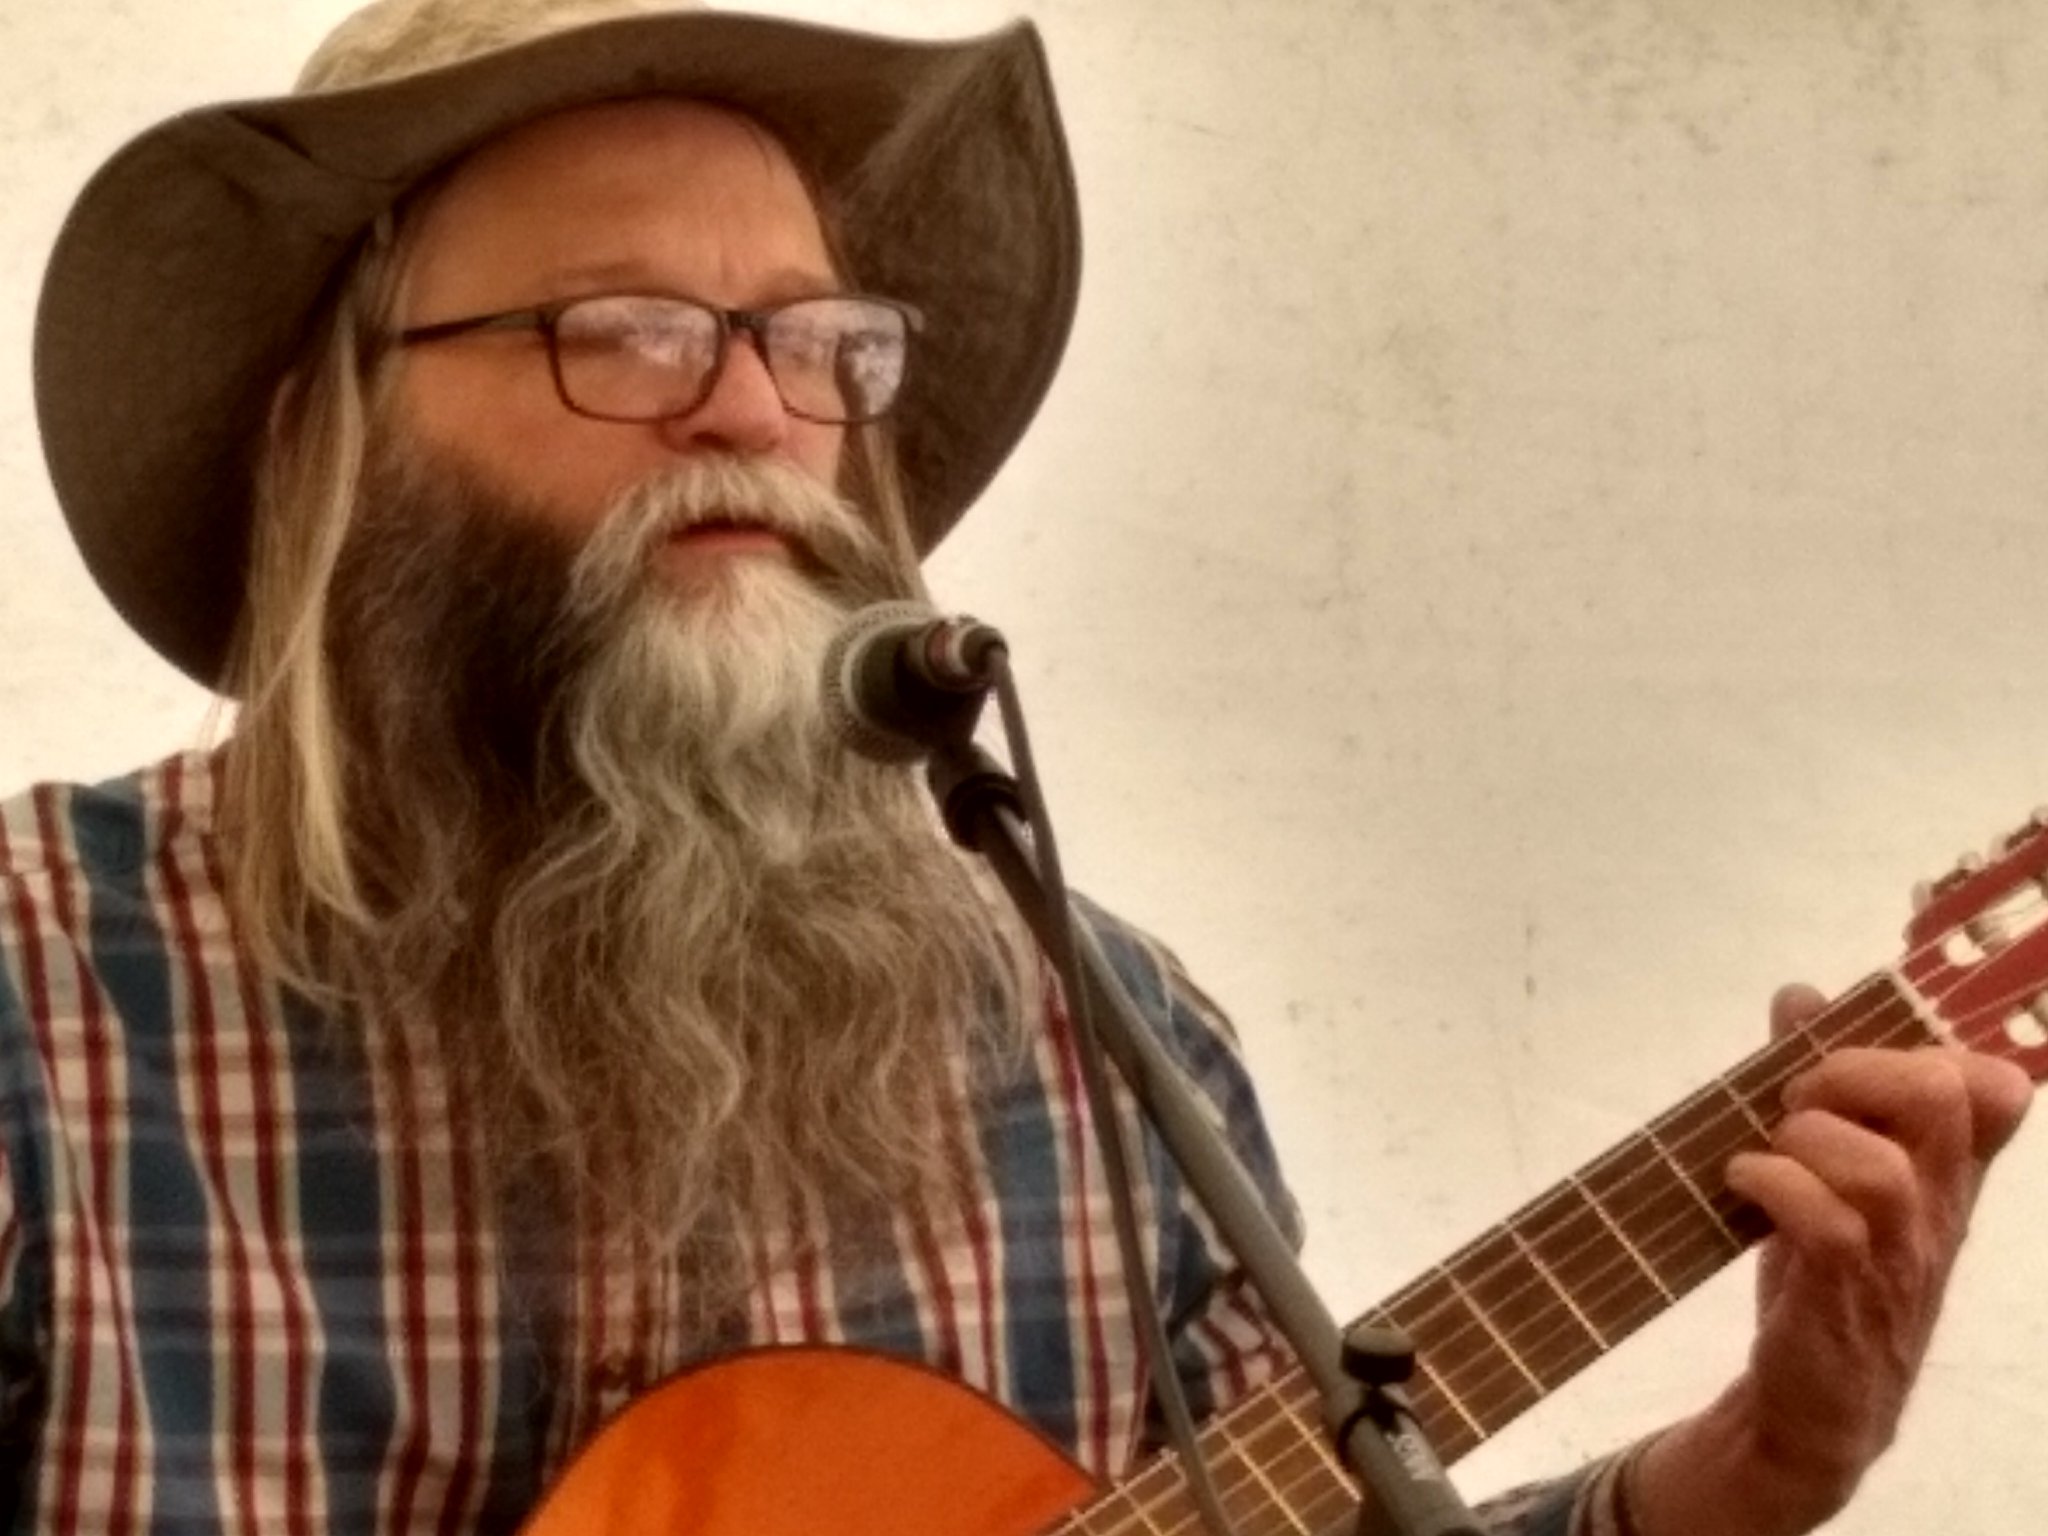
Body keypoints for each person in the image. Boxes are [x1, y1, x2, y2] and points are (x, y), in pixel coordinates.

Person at [0, 0, 2029, 1532]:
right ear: (326, 443)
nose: (747, 413)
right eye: (620, 330)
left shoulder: (1096, 1029)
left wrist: (1749, 1466)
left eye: (813, 342)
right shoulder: (37, 994)